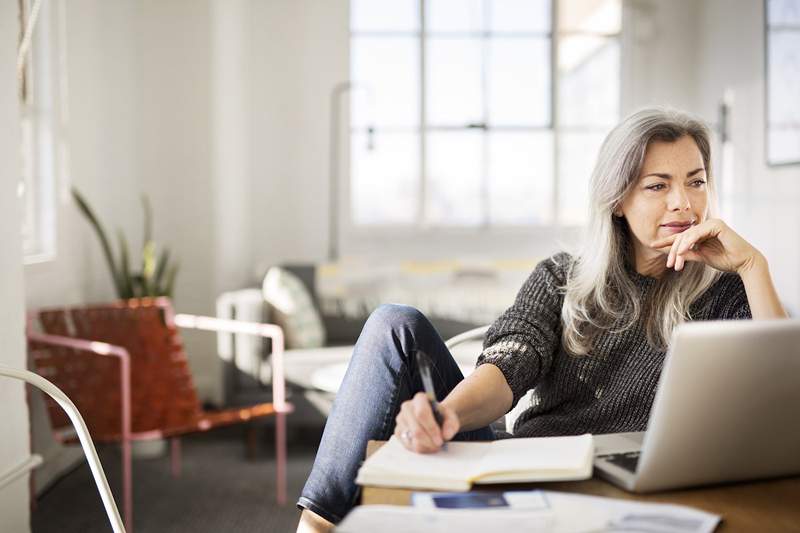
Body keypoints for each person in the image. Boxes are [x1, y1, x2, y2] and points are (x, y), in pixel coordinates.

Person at [295, 107, 787, 533]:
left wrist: (752, 266)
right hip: (533, 467)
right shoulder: (561, 278)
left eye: (696, 181)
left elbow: (785, 400)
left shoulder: (726, 291)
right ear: (618, 200)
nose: (683, 202)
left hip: (639, 483)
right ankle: (313, 525)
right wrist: (449, 415)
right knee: (393, 323)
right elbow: (507, 369)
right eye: (658, 185)